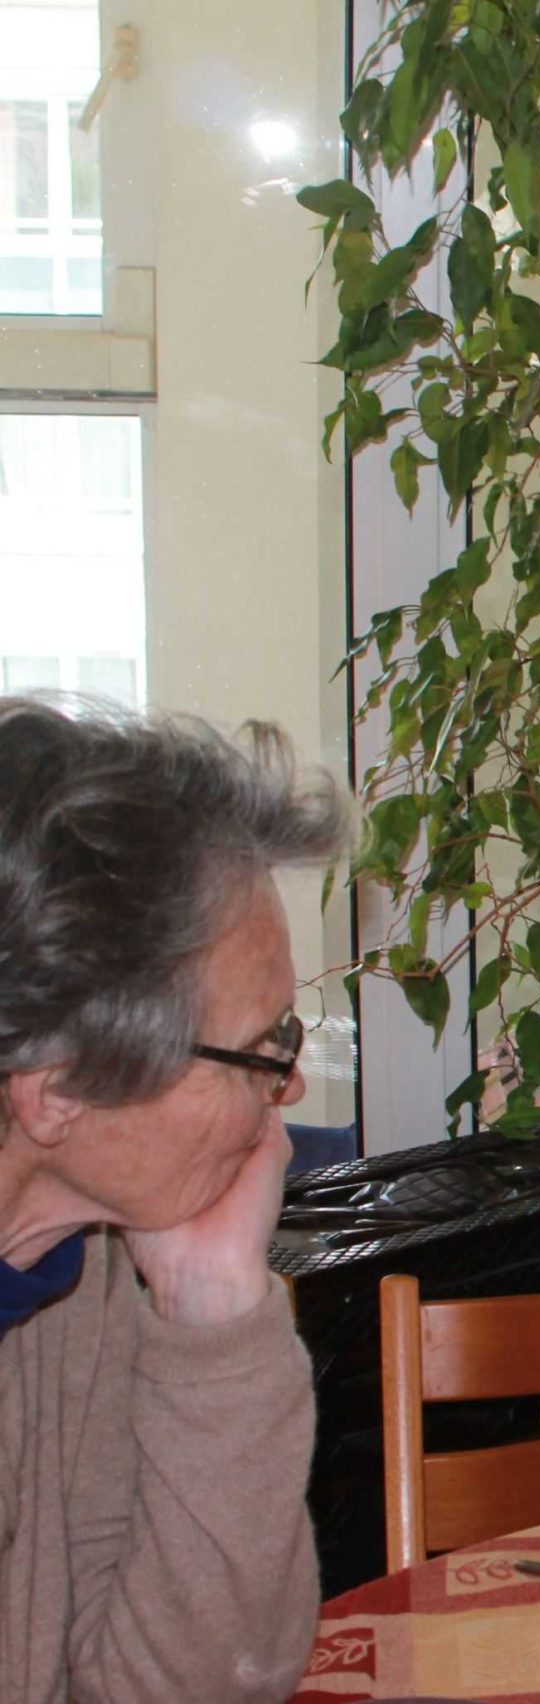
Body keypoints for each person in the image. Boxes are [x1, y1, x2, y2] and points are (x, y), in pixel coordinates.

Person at [0, 696, 344, 1701]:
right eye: (261, 1048)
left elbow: (201, 1683)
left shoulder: (80, 1276)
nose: (288, 1089)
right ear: (59, 1089)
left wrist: (213, 1307)